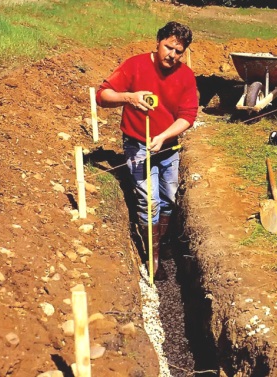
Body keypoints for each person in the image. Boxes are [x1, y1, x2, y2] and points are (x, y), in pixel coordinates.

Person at [96, 21, 198, 281]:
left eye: (178, 51)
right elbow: (102, 95)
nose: (172, 55)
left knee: (169, 198)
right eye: (168, 47)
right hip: (137, 144)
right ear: (158, 41)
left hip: (167, 146)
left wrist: (163, 136)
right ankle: (151, 256)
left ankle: (161, 242)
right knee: (148, 200)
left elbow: (188, 115)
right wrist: (129, 97)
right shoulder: (135, 65)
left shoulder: (185, 75)